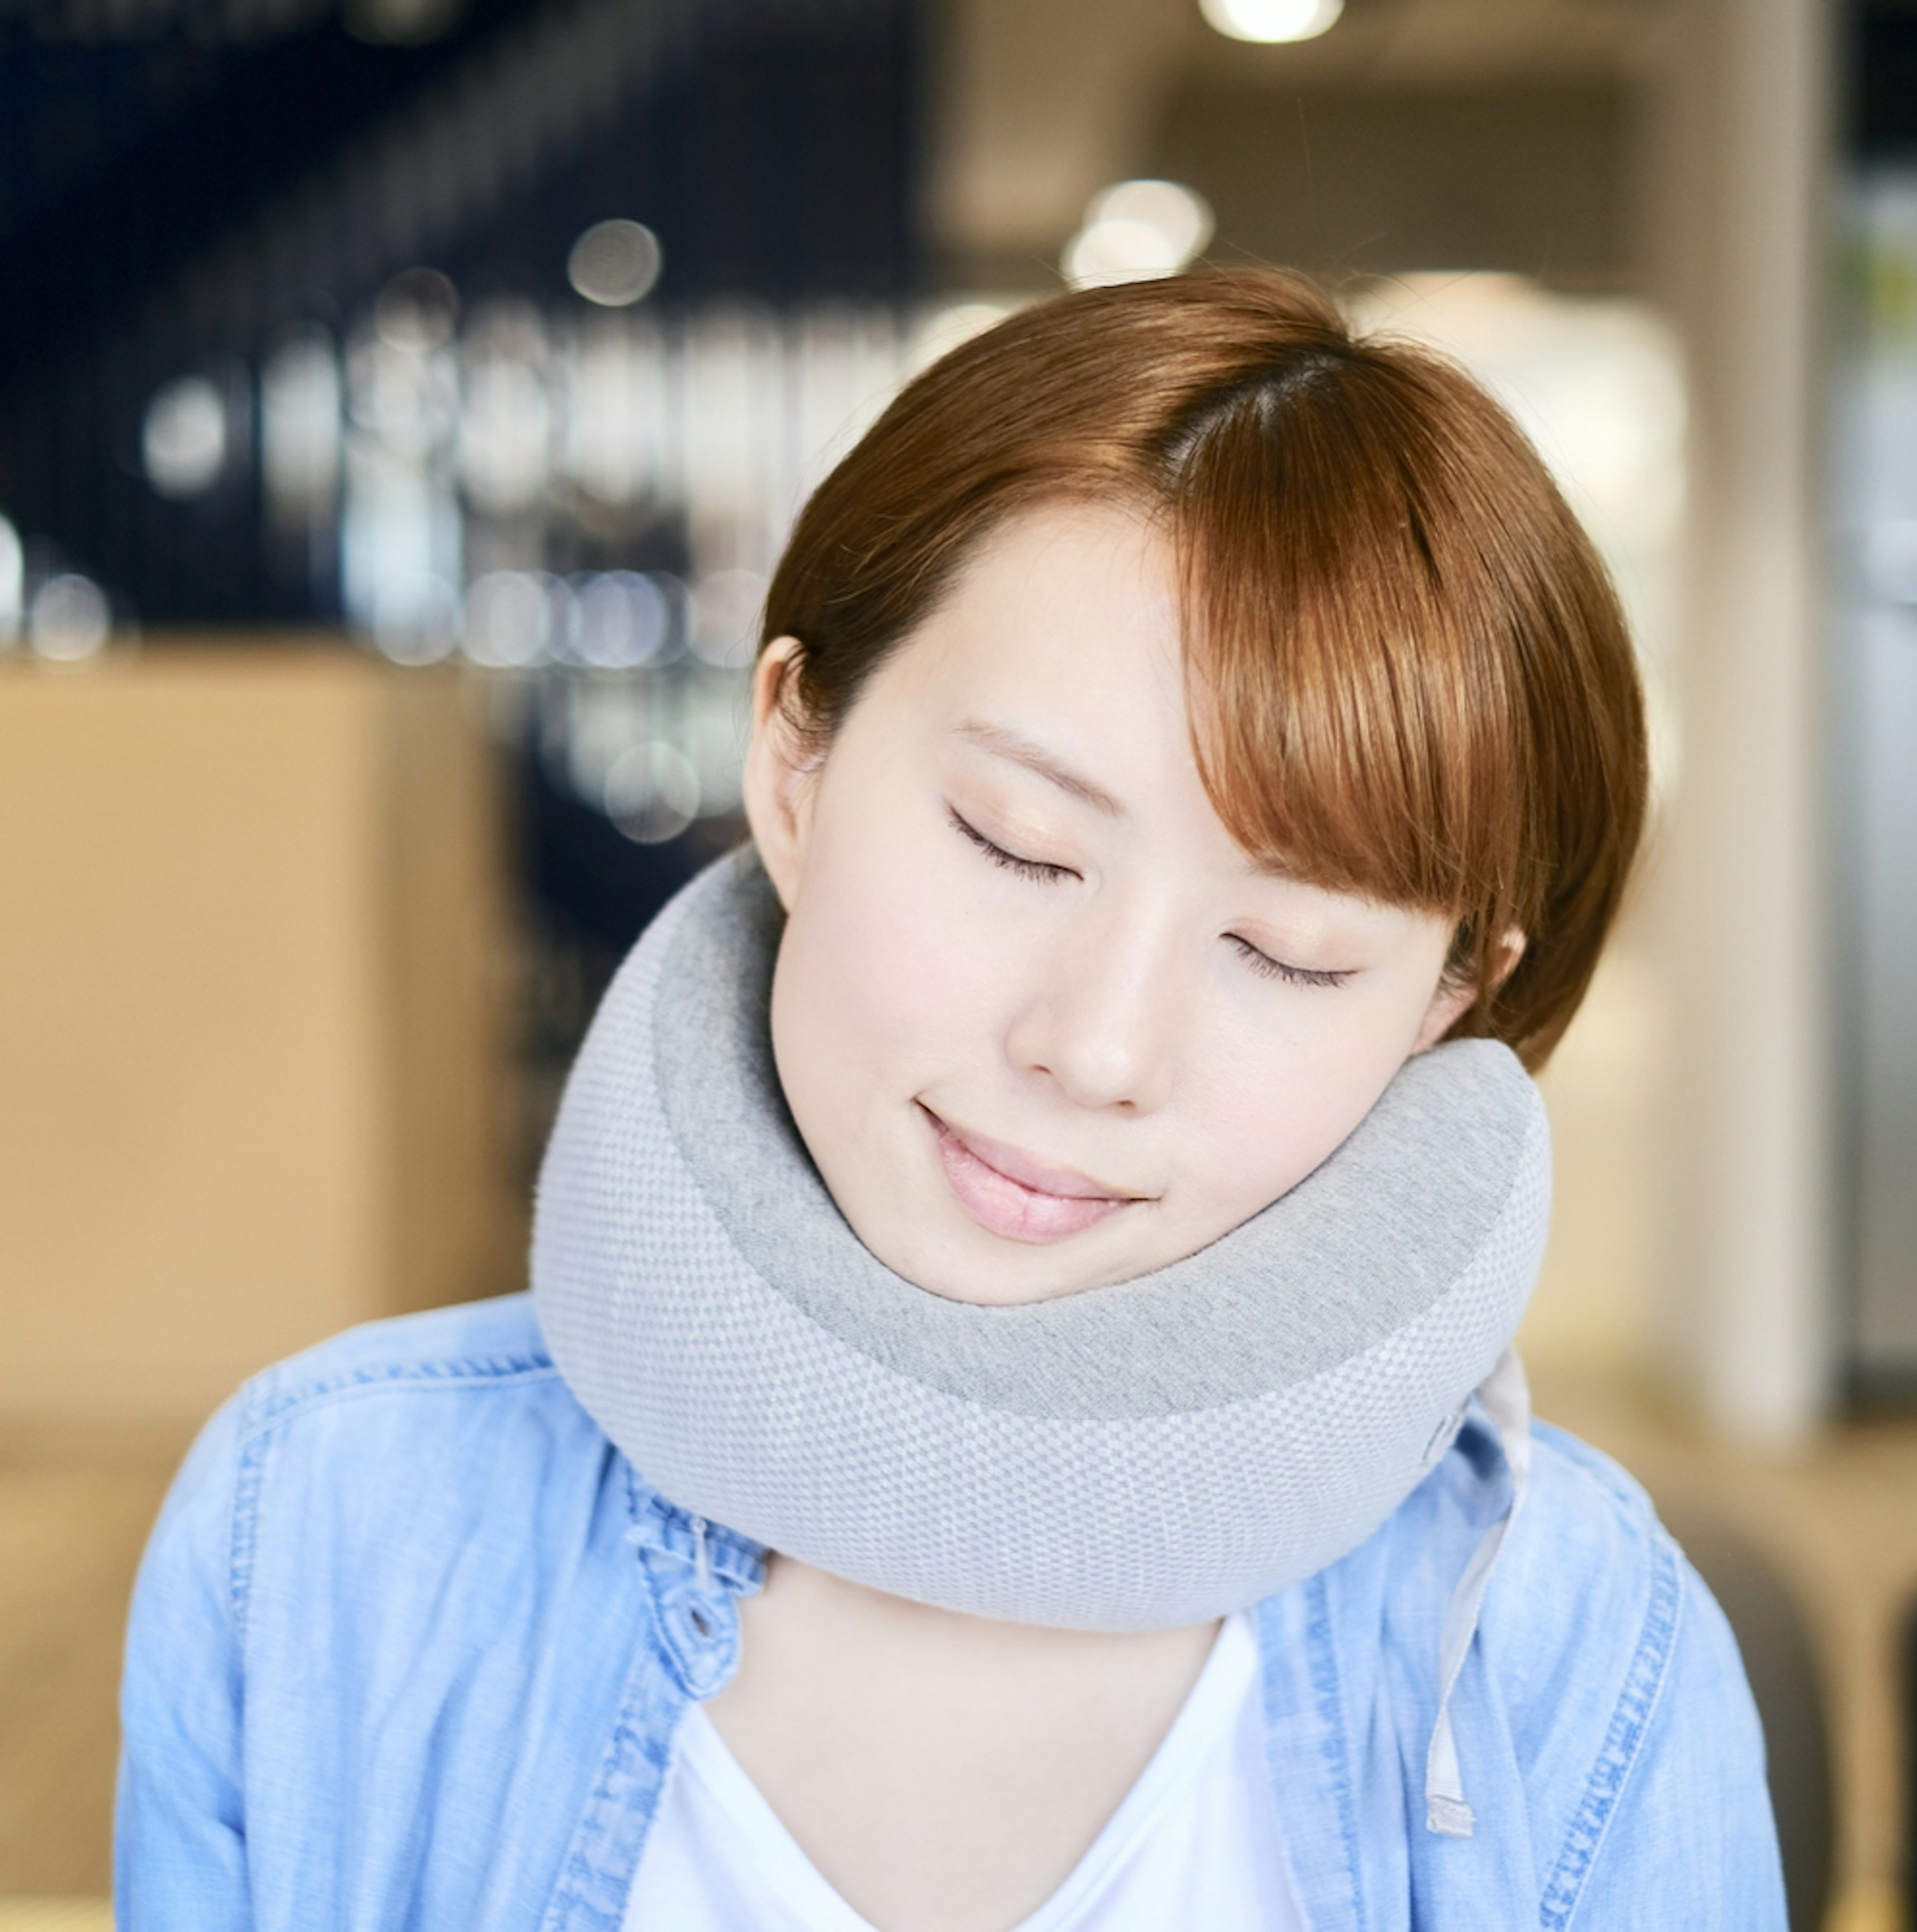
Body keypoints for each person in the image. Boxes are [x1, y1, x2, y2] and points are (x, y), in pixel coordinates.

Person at [117, 270, 1783, 1931]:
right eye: (1015, 845)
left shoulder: (1582, 1650)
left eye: (1286, 952)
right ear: (795, 762)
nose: (1099, 1048)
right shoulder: (319, 1528)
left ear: (1450, 1000)